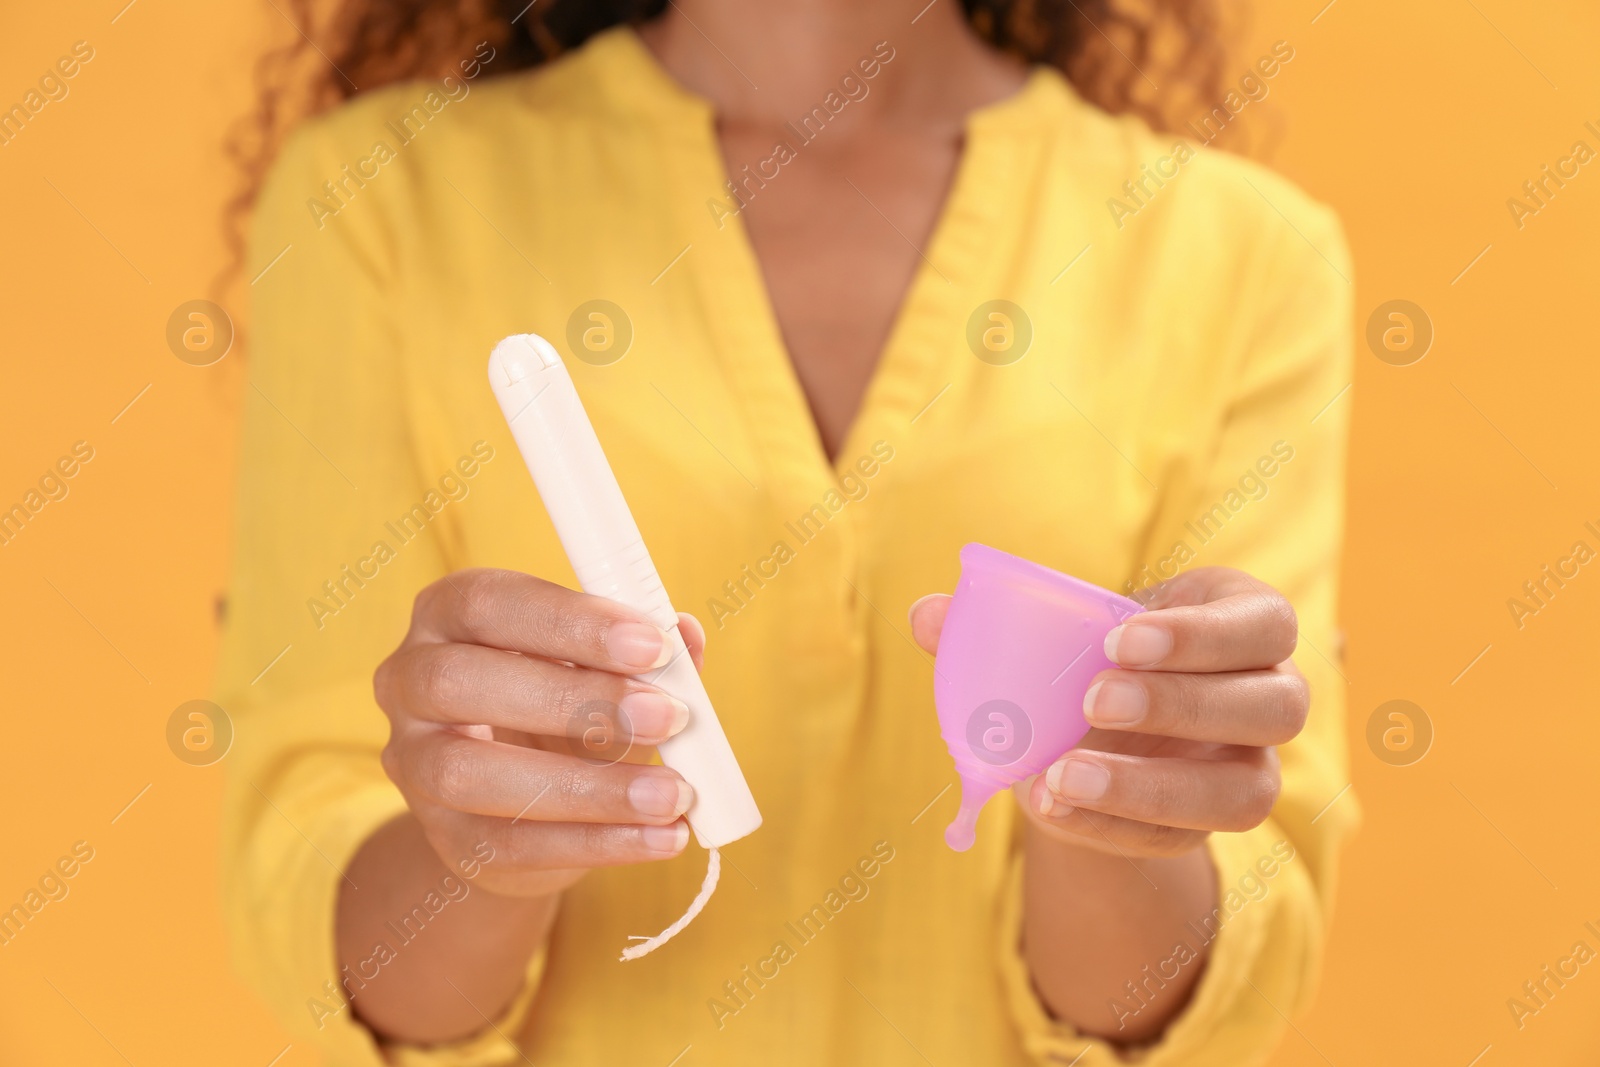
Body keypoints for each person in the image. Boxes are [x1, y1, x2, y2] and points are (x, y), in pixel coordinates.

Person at [217, 2, 1357, 1064]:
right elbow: (335, 932)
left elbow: (1191, 991)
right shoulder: (376, 199)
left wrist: (1115, 806)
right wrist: (475, 852)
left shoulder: (1244, 255)